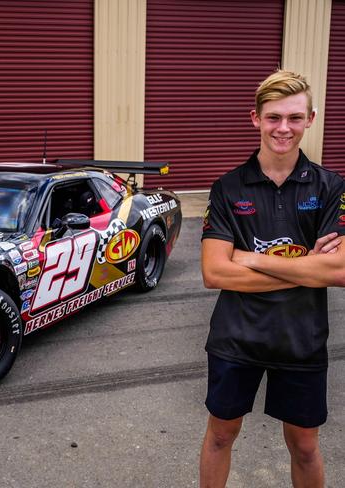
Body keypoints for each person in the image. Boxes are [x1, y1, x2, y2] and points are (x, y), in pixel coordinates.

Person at [199, 69, 345, 487]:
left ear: (311, 119)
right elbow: (214, 272)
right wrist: (307, 270)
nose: (284, 128)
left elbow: (338, 269)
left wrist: (249, 258)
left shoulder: (332, 187)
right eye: (274, 117)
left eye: (295, 118)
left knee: (304, 446)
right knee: (221, 436)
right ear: (255, 119)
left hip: (302, 339)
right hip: (236, 338)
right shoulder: (227, 188)